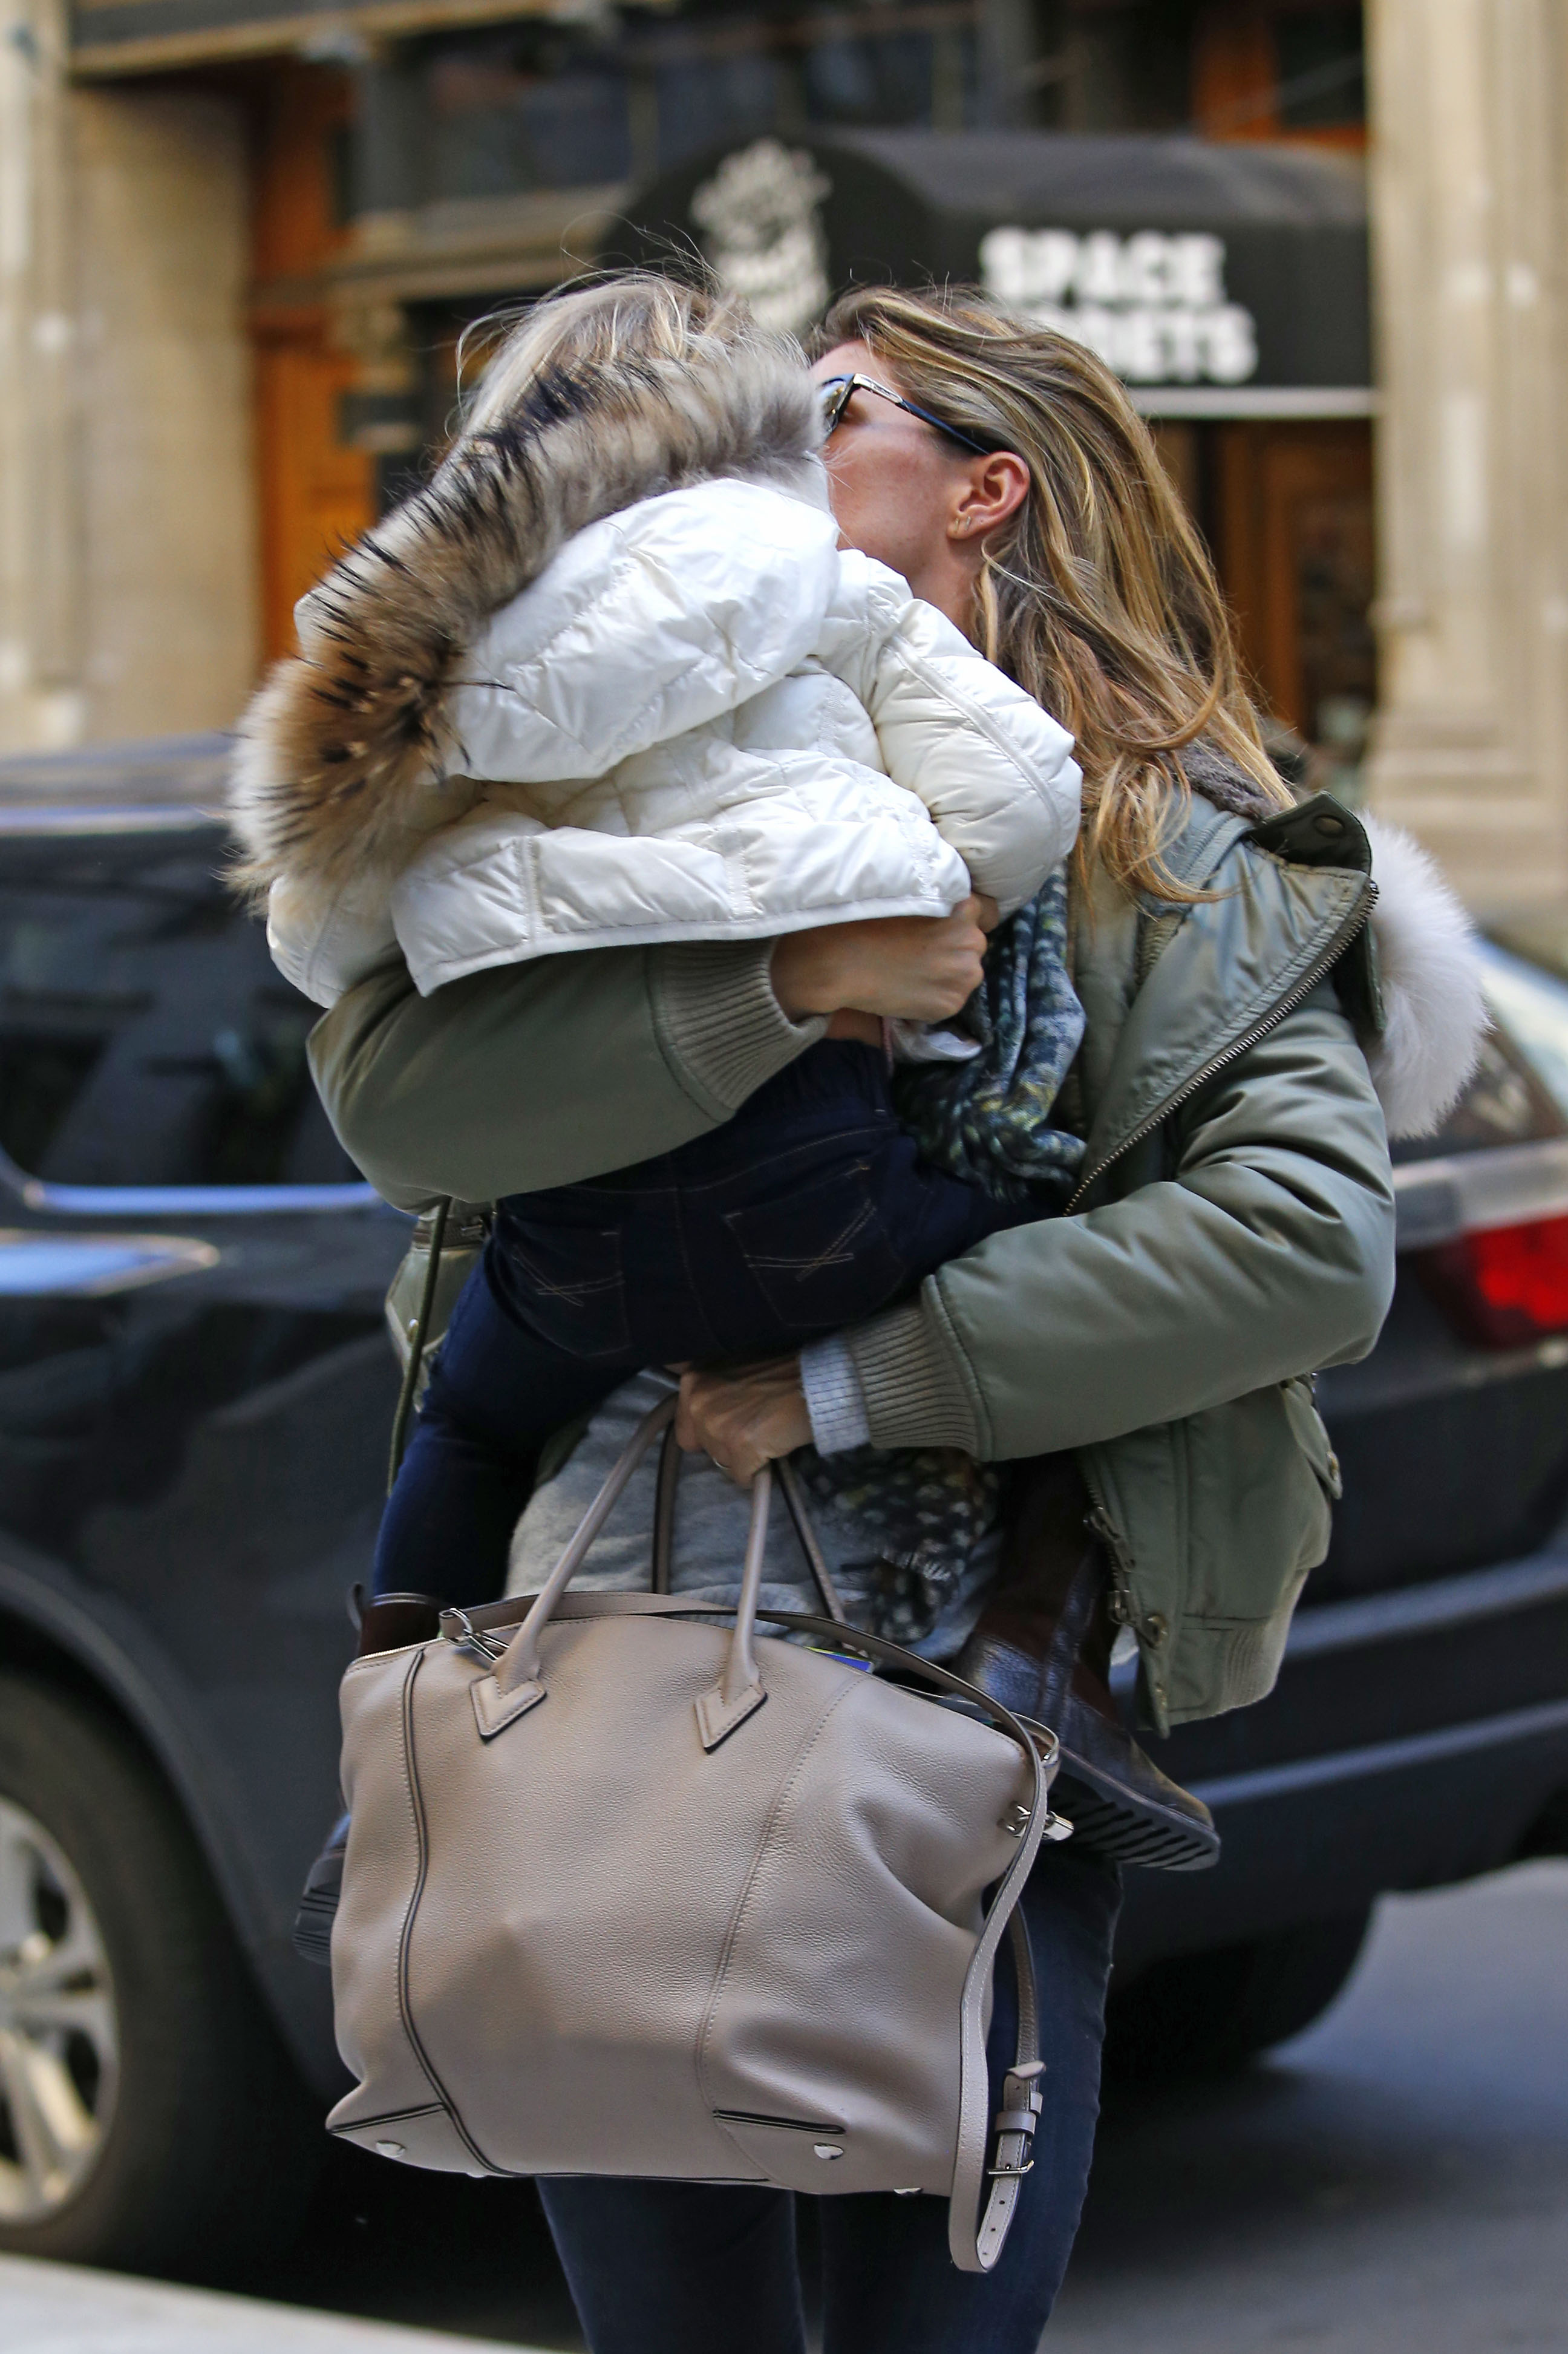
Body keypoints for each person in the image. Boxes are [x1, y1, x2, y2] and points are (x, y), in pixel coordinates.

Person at [298, 287, 1486, 2354]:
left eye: (825, 403)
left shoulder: (1168, 849)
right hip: (601, 1673)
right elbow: (400, 1105)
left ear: (984, 489)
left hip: (969, 1695)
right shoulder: (629, 767)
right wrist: (778, 984)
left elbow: (1303, 1238)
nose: (755, 431)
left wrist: (863, 1376)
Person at [232, 275, 1082, 1618]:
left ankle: (398, 1666)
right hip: (823, 1181)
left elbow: (323, 935)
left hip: (573, 1230)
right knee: (1055, 1231)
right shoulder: (830, 582)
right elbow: (1019, 798)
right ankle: (1058, 1654)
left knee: (470, 1422)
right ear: (755, 422)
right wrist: (937, 890)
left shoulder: (430, 653)